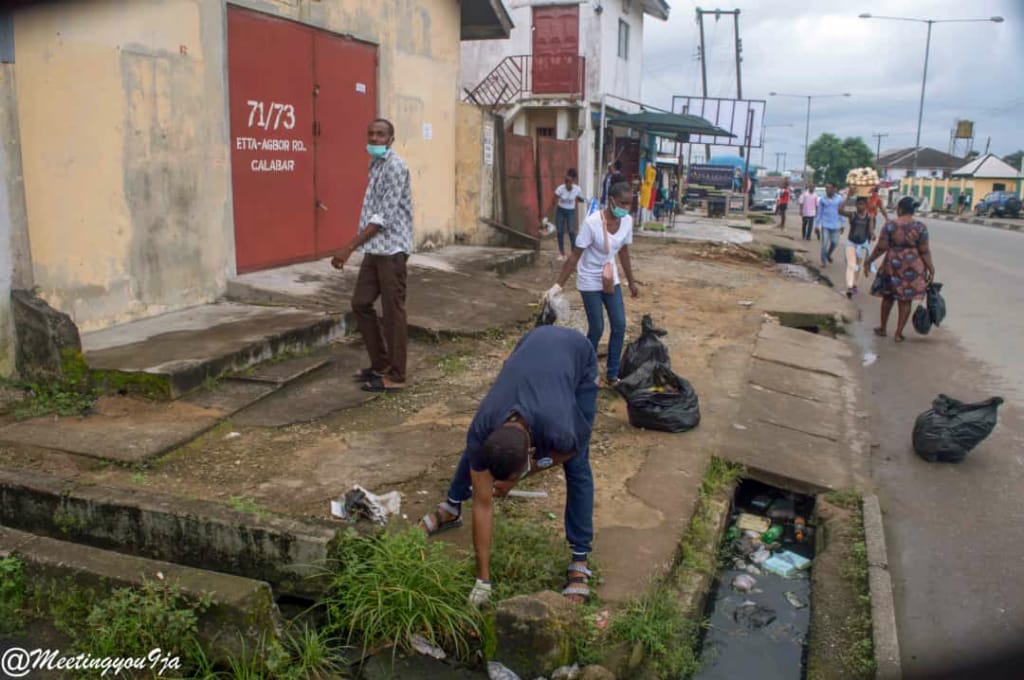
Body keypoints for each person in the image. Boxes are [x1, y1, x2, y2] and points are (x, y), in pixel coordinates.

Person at [419, 325, 599, 605]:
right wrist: (483, 580)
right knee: (474, 452)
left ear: (531, 450)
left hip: (576, 353)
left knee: (578, 467)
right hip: (533, 341)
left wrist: (520, 476)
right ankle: (452, 507)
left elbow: (573, 448)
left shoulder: (560, 428)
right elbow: (483, 503)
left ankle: (579, 560)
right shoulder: (482, 428)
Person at [331, 119, 413, 393]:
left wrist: (349, 247)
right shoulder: (375, 164)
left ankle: (397, 375)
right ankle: (380, 363)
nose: (375, 138)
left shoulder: (395, 166)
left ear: (391, 139)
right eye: (371, 134)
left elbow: (383, 216)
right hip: (375, 248)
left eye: (380, 135)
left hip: (392, 250)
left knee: (393, 312)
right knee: (361, 303)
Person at [552, 182, 639, 386]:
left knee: (619, 324)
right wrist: (558, 285)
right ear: (610, 200)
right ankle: (585, 370)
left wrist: (631, 282)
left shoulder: (627, 221)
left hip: (610, 277)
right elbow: (574, 256)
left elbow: (624, 253)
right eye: (622, 203)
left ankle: (612, 374)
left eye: (629, 204)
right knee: (597, 327)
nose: (625, 208)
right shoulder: (592, 223)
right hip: (589, 279)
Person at [864, 196, 935, 343]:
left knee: (888, 296)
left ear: (900, 209)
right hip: (913, 266)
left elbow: (881, 247)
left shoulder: (890, 225)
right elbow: (924, 251)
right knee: (905, 300)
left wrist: (869, 260)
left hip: (892, 264)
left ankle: (883, 328)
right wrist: (931, 268)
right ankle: (898, 333)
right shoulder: (920, 227)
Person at [840, 195, 874, 298]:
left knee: (858, 267)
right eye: (859, 204)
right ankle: (850, 287)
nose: (860, 206)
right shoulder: (852, 215)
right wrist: (848, 196)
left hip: (862, 245)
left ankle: (854, 284)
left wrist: (873, 235)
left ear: (866, 205)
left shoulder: (869, 217)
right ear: (856, 205)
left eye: (862, 204)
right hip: (851, 243)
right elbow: (840, 210)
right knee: (851, 265)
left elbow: (870, 230)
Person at [554, 169, 585, 261]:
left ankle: (573, 253)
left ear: (573, 181)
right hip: (561, 210)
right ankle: (562, 253)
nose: (568, 184)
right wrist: (546, 215)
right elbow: (553, 200)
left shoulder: (577, 189)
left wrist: (582, 199)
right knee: (560, 231)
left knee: (572, 231)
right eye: (566, 181)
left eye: (570, 182)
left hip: (571, 211)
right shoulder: (560, 189)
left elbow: (581, 200)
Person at [815, 183, 845, 266]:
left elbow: (841, 212)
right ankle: (823, 261)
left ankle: (829, 254)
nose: (827, 190)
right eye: (826, 188)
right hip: (825, 225)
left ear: (833, 189)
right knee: (824, 244)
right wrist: (816, 225)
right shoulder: (822, 199)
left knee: (834, 243)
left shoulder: (839, 199)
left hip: (836, 225)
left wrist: (843, 224)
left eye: (829, 188)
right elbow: (819, 213)